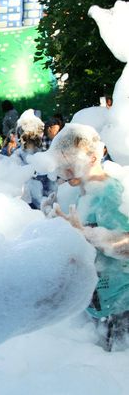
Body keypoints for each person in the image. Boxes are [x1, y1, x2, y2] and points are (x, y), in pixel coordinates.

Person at [46, 124, 129, 350]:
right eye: (62, 166)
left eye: (70, 163)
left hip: (122, 308)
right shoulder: (79, 193)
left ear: (92, 157)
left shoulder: (110, 194)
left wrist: (88, 235)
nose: (65, 172)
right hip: (97, 305)